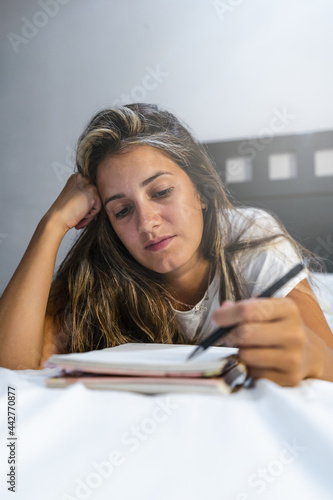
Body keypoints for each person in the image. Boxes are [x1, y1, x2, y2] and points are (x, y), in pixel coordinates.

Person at [1, 103, 333, 386]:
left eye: (161, 193)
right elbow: (10, 369)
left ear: (200, 191)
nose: (147, 224)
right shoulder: (101, 272)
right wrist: (52, 224)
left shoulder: (249, 238)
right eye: (122, 210)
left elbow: (327, 363)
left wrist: (311, 358)